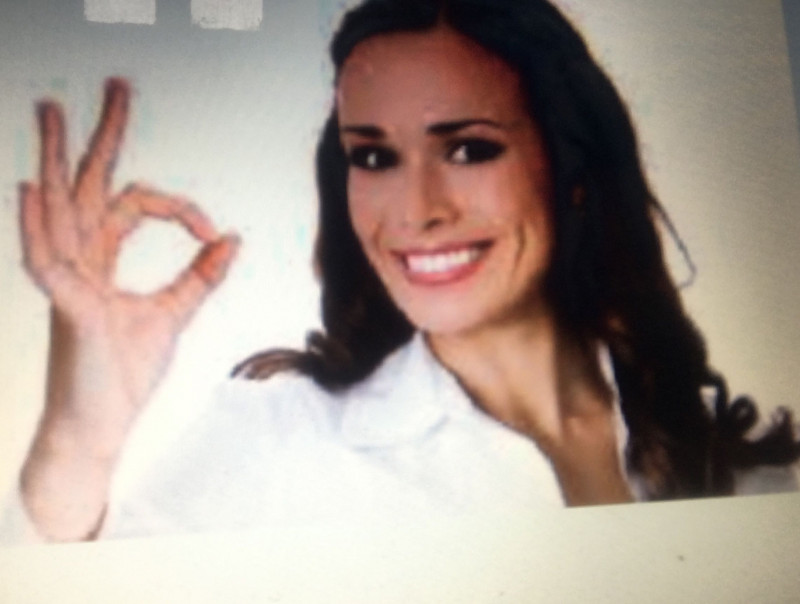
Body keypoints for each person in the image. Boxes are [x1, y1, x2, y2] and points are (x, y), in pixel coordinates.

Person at [4, 0, 799, 543]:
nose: (416, 211)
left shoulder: (752, 477)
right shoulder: (277, 440)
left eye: (469, 148)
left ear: (573, 169)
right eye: (375, 157)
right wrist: (78, 437)